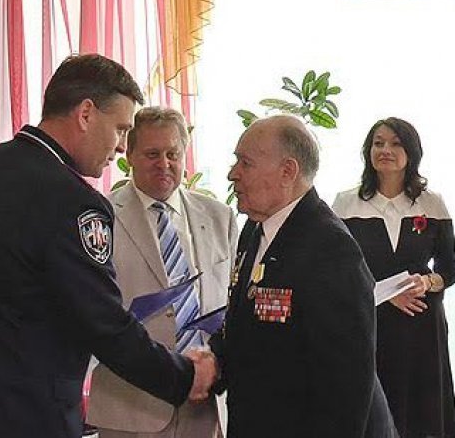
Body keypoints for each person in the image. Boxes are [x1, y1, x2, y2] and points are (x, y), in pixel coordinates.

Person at [0, 54, 216, 438]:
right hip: (27, 415)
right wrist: (184, 376)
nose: (121, 147)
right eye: (120, 129)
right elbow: (102, 322)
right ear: (86, 113)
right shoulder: (75, 202)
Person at [209, 115, 397, 437]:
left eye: (245, 163)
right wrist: (213, 360)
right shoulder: (255, 228)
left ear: (288, 171)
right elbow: (247, 326)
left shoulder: (331, 250)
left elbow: (346, 390)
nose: (233, 174)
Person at [88, 107, 238, 438]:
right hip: (131, 407)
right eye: (152, 154)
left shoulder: (220, 217)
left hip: (206, 406)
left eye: (173, 154)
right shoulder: (100, 217)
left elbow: (233, 301)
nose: (164, 164)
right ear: (130, 155)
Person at [333, 117, 455, 438]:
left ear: (411, 152)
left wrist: (427, 282)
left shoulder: (432, 203)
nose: (385, 150)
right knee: (373, 416)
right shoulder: (346, 203)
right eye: (378, 143)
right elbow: (338, 269)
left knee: (423, 419)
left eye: (395, 143)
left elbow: (449, 266)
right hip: (369, 323)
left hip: (422, 326)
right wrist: (386, 293)